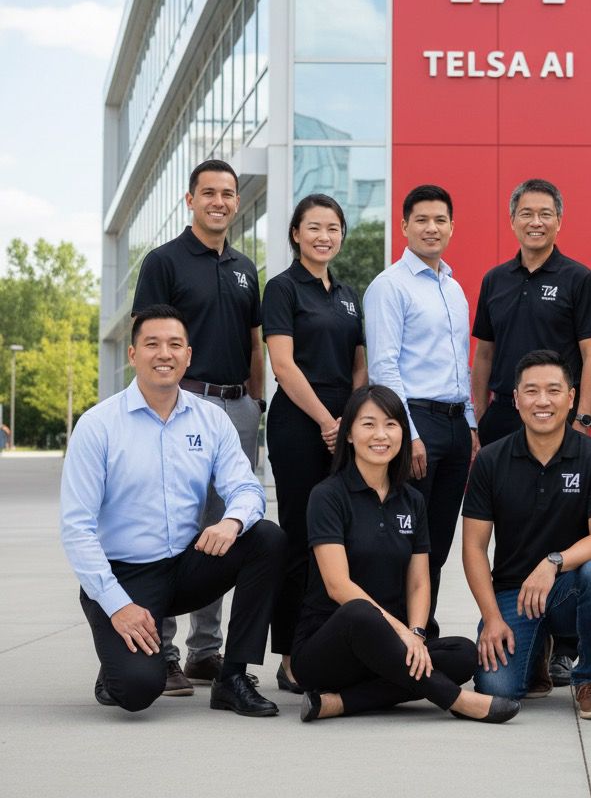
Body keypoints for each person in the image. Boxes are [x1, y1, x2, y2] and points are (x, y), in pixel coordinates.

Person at [60, 305, 286, 716]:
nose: (164, 353)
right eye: (152, 344)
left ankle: (232, 678)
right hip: (125, 577)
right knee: (136, 691)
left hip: (185, 565)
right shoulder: (98, 425)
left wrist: (232, 521)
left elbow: (246, 488)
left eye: (174, 345)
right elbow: (77, 528)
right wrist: (117, 605)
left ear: (188, 355)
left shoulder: (210, 419)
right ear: (133, 354)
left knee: (266, 538)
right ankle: (116, 659)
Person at [291, 384, 519, 724]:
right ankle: (457, 700)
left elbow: (418, 583)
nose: (381, 435)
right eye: (369, 424)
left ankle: (341, 703)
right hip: (328, 649)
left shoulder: (411, 500)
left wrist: (416, 634)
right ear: (349, 434)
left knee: (463, 654)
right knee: (360, 613)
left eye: (391, 424)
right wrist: (401, 632)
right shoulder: (328, 496)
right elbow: (338, 585)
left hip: (390, 648)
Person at [131, 158, 265, 696]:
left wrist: (255, 402)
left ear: (236, 201)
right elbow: (147, 338)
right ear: (190, 200)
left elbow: (254, 342)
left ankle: (205, 651)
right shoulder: (163, 261)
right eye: (208, 192)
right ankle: (161, 652)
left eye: (227, 193)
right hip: (181, 403)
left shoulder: (244, 267)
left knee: (224, 526)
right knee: (172, 523)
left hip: (236, 407)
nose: (219, 201)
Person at [471, 177, 591, 686]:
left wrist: (583, 418)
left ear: (559, 220)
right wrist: (476, 417)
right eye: (526, 213)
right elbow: (484, 353)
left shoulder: (577, 278)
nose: (535, 222)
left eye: (545, 213)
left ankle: (566, 646)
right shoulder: (495, 280)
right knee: (514, 520)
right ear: (512, 220)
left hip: (561, 418)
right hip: (505, 415)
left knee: (568, 519)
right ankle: (521, 621)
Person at [462, 350, 591, 719]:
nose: (543, 401)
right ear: (516, 399)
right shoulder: (491, 460)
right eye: (531, 391)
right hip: (513, 594)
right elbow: (473, 547)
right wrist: (491, 617)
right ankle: (535, 651)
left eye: (553, 390)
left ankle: (590, 679)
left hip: (569, 588)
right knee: (495, 689)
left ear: (571, 397)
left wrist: (554, 563)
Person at [263, 194, 368, 693]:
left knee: (340, 539)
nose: (324, 236)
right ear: (295, 234)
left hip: (346, 424)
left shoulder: (348, 294)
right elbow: (283, 365)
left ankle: (331, 645)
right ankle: (290, 656)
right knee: (300, 538)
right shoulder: (282, 288)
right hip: (300, 423)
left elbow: (359, 363)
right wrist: (328, 422)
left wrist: (353, 420)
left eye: (333, 228)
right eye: (314, 227)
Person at [363, 185, 478, 631]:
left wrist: (469, 424)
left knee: (437, 542)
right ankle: (392, 634)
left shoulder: (454, 288)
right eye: (422, 220)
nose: (432, 228)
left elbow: (460, 364)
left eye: (440, 220)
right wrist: (407, 433)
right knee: (403, 538)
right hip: (415, 423)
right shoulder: (389, 286)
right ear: (404, 226)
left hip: (453, 424)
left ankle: (421, 629)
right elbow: (383, 367)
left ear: (452, 227)